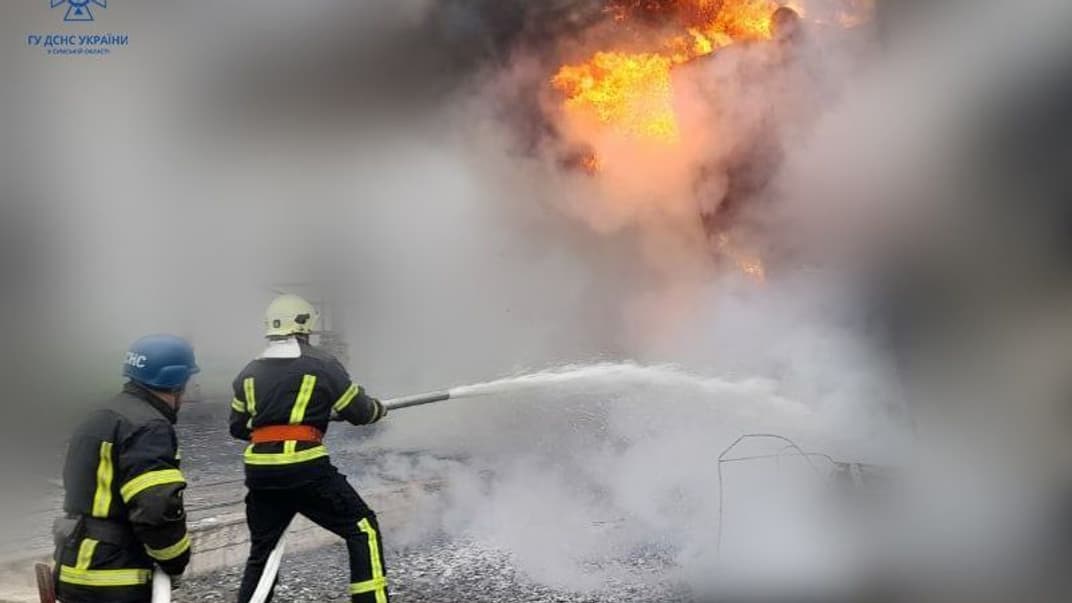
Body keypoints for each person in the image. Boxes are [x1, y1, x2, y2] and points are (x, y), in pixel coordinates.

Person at [230, 294, 389, 603]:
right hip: (305, 468)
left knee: (264, 552)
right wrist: (377, 408)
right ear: (305, 326)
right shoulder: (321, 363)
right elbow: (359, 412)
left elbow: (238, 427)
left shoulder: (248, 372)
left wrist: (280, 417)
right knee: (362, 529)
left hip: (261, 474)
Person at [54, 334, 198, 602]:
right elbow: (156, 509)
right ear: (177, 382)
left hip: (74, 568)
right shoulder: (149, 427)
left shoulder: (100, 417)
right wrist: (176, 560)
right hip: (115, 577)